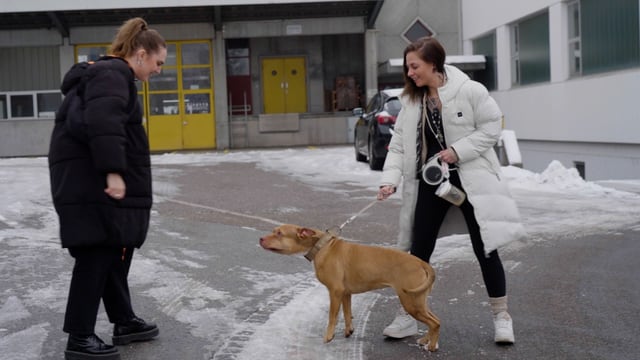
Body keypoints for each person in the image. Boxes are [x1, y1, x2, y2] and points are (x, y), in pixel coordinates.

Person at [376, 36, 525, 345]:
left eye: (415, 66)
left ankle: (502, 317)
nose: (411, 73)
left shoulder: (470, 91)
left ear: (434, 64)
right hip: (432, 184)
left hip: (471, 180)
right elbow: (399, 145)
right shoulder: (412, 102)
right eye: (408, 68)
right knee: (418, 253)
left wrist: (458, 150)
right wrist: (389, 179)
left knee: (486, 248)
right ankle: (409, 316)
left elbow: (491, 127)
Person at [48, 17, 167, 360]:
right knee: (98, 254)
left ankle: (124, 320)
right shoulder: (113, 74)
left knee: (115, 250)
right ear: (141, 55)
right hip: (92, 181)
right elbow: (104, 121)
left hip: (86, 179)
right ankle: (80, 338)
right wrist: (114, 171)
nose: (158, 70)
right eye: (158, 63)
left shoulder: (108, 75)